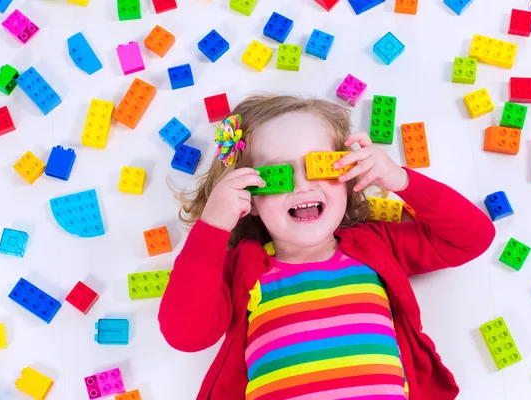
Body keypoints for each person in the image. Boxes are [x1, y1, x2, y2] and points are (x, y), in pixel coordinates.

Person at [158, 95, 496, 400]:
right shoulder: (241, 267)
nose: (304, 185)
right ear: (252, 200)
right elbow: (187, 336)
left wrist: (400, 179)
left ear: (348, 176)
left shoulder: (376, 245)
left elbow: (472, 237)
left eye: (319, 166)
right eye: (278, 175)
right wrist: (212, 227)